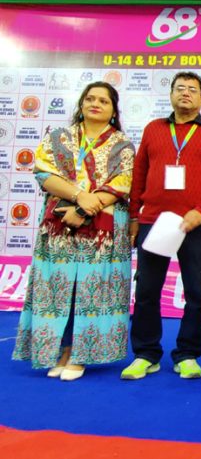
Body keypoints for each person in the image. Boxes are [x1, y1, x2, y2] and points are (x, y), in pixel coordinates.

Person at [12, 82, 135, 381]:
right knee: (61, 289)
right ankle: (62, 350)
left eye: (103, 101)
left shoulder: (123, 144)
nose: (95, 104)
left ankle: (82, 354)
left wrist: (84, 210)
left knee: (90, 290)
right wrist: (80, 198)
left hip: (103, 231)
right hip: (59, 225)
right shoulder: (58, 138)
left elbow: (122, 183)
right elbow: (43, 172)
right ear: (81, 104)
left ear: (113, 110)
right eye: (90, 99)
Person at [121, 71, 201, 380]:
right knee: (146, 290)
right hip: (153, 221)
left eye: (192, 90)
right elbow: (139, 175)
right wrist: (133, 216)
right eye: (180, 88)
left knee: (196, 292)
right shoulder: (154, 129)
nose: (186, 93)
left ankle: (187, 354)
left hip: (194, 223)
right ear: (170, 95)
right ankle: (146, 353)